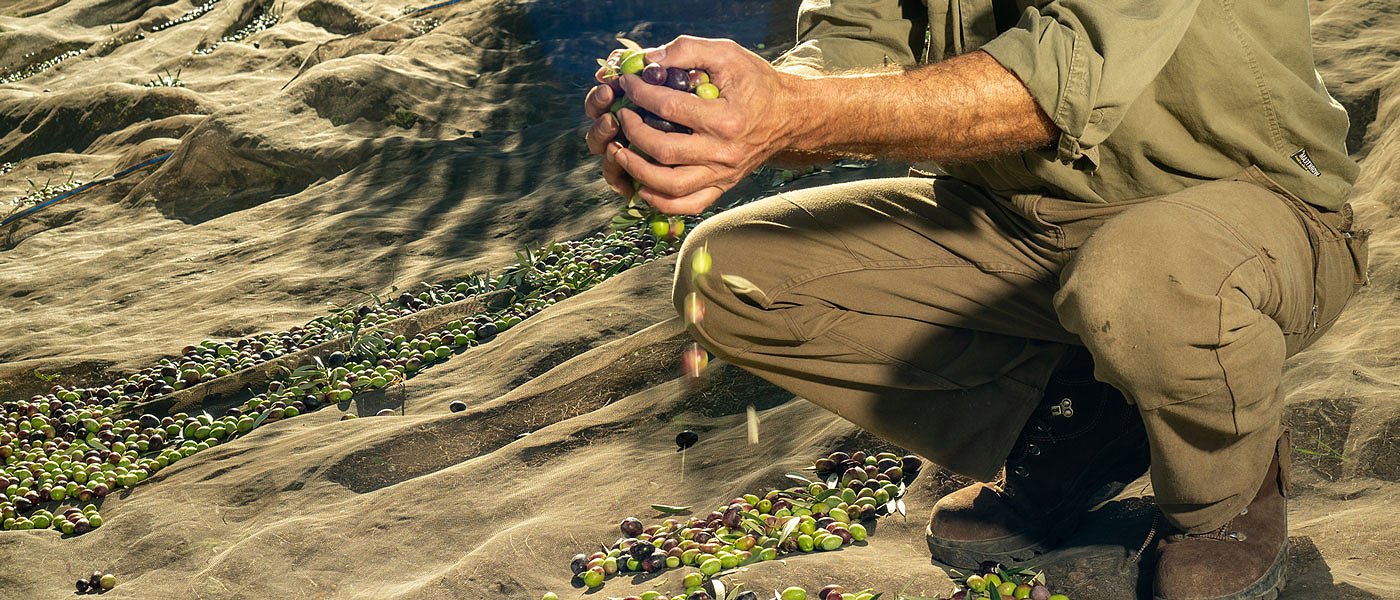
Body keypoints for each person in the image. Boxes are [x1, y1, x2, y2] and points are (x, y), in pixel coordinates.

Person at [582, 2, 1370, 598]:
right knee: (730, 280)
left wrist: (791, 114)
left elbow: (1061, 80)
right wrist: (723, 117)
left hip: (1242, 211)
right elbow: (848, 49)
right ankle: (1085, 423)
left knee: (1140, 283)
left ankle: (1227, 492)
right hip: (1016, 219)